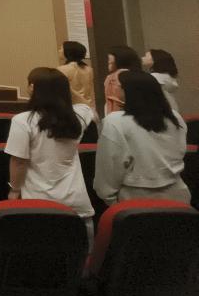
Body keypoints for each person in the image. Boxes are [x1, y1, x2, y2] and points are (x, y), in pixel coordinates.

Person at [6, 67, 95, 242]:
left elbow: (19, 162)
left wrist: (14, 190)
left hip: (39, 202)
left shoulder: (23, 120)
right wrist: (62, 86)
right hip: (76, 202)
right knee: (78, 255)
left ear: (32, 88)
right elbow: (88, 105)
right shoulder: (78, 116)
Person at [94, 70, 189, 204]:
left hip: (134, 199)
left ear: (130, 91)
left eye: (118, 86)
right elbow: (180, 151)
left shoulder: (115, 121)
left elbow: (109, 167)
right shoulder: (174, 117)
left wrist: (109, 198)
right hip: (178, 195)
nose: (113, 88)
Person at [57, 41, 96, 112]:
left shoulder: (62, 70)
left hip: (72, 108)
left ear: (68, 52)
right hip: (88, 108)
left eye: (61, 48)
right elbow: (92, 93)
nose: (59, 50)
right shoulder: (89, 69)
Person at [103, 46, 141, 115]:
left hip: (117, 115)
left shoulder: (112, 77)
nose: (108, 63)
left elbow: (113, 103)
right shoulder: (139, 75)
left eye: (110, 62)